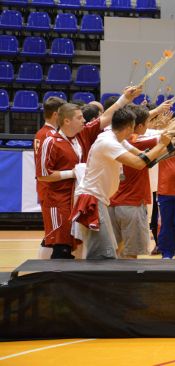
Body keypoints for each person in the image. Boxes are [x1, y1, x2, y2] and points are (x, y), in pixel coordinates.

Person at [38, 87, 142, 259]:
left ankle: (77, 284)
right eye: (79, 118)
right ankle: (52, 282)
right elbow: (43, 175)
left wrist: (124, 98)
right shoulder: (50, 141)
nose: (84, 120)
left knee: (78, 247)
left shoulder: (83, 134)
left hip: (82, 197)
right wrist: (73, 173)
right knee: (61, 245)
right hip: (60, 199)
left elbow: (106, 117)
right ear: (66, 121)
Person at [71, 106, 175, 259]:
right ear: (129, 126)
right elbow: (138, 163)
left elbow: (143, 157)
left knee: (105, 251)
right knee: (102, 254)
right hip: (92, 200)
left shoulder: (113, 137)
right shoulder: (109, 142)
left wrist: (167, 147)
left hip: (98, 199)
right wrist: (162, 144)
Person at [108, 104, 161, 259]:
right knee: (131, 254)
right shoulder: (138, 140)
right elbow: (142, 161)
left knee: (117, 250)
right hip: (132, 202)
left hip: (113, 202)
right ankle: (127, 283)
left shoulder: (110, 137)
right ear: (134, 125)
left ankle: (116, 282)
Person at [34, 96, 66, 259]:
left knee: (52, 234)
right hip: (50, 189)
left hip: (47, 189)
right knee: (52, 235)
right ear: (55, 115)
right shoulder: (50, 135)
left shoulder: (42, 132)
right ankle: (43, 269)